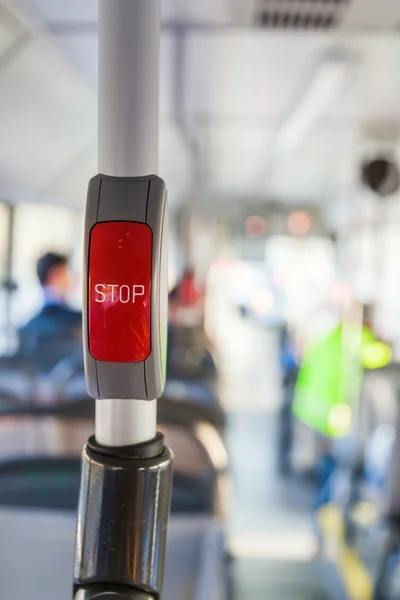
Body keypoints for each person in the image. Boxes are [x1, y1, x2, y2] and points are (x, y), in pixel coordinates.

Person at [292, 302, 391, 508]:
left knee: (327, 470)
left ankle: (323, 516)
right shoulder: (355, 339)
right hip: (334, 417)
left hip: (312, 414)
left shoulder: (324, 339)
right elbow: (379, 355)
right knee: (337, 472)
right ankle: (328, 515)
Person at [18, 252, 82, 373]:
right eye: (69, 271)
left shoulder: (27, 328)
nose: (75, 277)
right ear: (55, 274)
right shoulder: (82, 325)